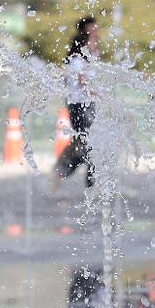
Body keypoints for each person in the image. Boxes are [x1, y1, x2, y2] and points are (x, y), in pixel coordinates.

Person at [53, 16, 98, 189]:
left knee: (89, 144)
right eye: (92, 35)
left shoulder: (90, 59)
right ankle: (62, 171)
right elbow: (82, 81)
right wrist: (98, 93)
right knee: (88, 143)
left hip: (86, 104)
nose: (96, 38)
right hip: (79, 106)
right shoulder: (77, 61)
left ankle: (89, 182)